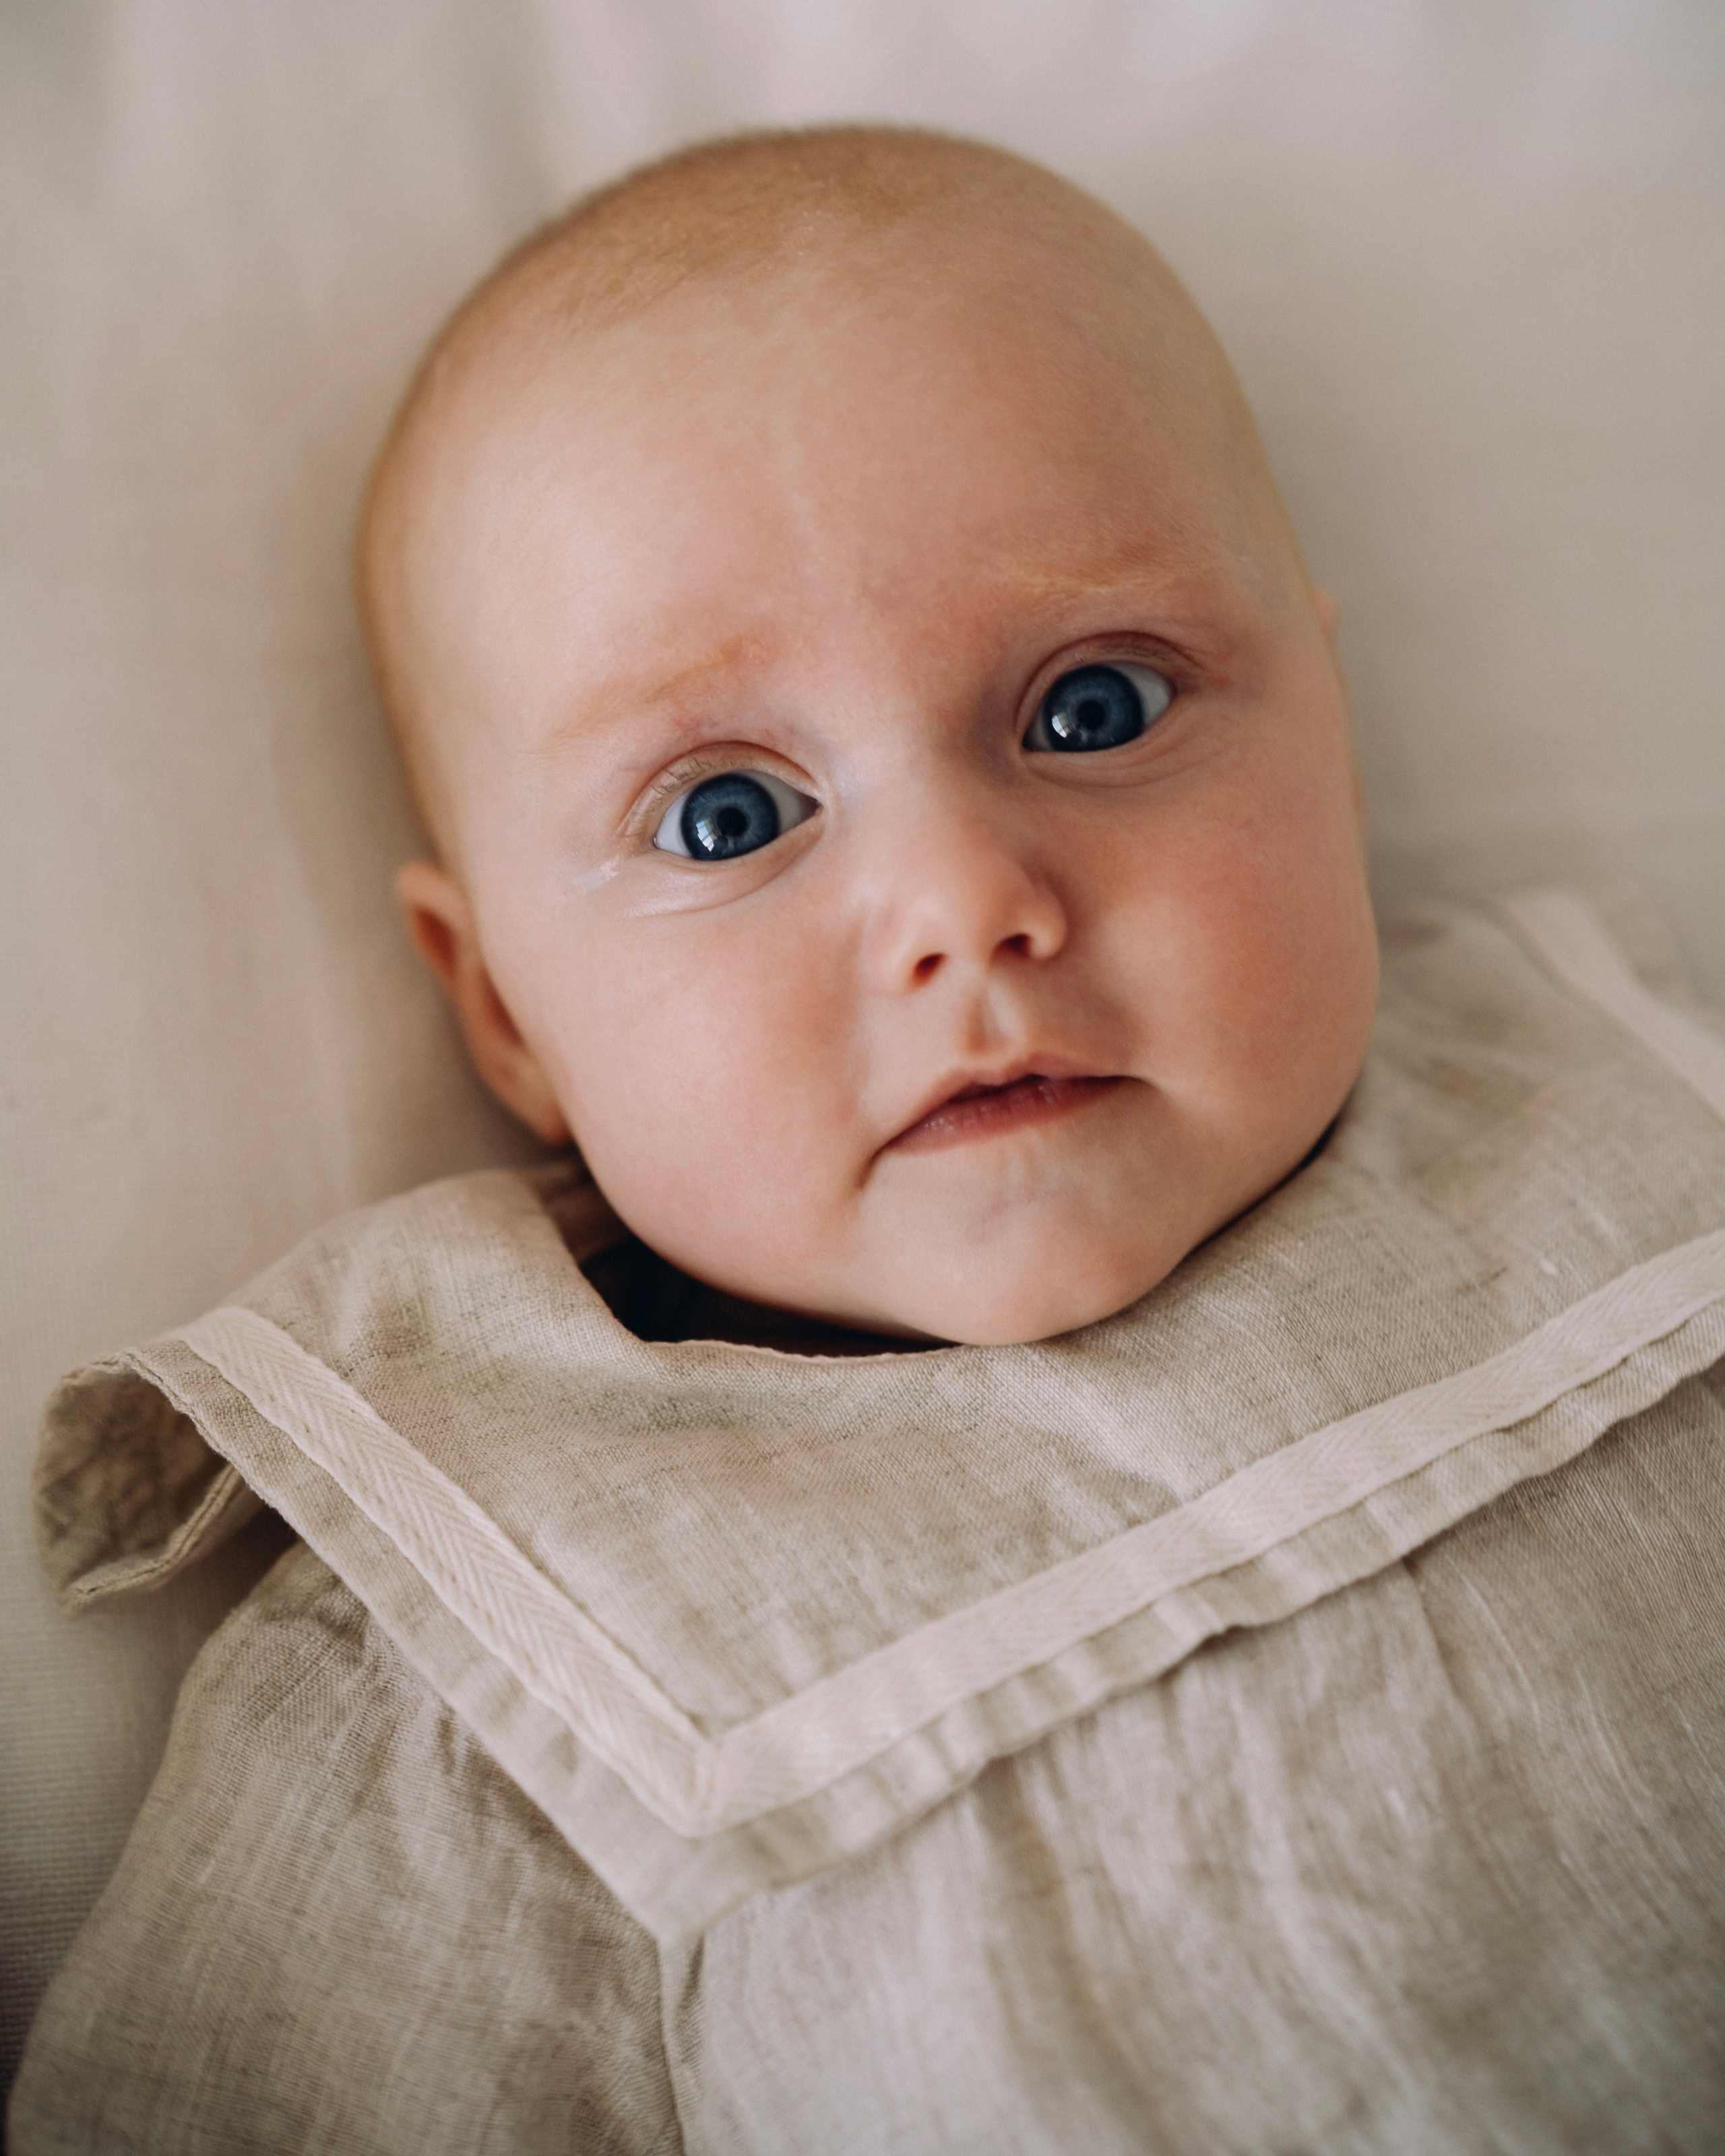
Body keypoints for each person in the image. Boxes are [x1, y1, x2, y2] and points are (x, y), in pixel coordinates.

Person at [13, 127, 1725, 2154]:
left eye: (1093, 705)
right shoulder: (503, 1630)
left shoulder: (1619, 1074)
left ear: (1331, 739)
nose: (961, 902)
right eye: (728, 816)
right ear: (502, 1012)